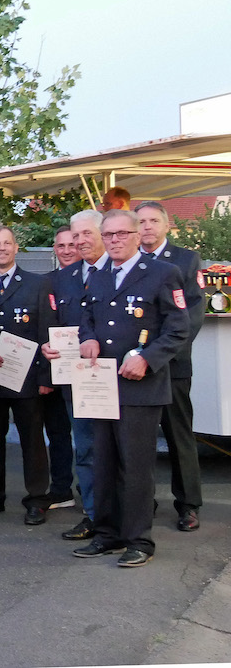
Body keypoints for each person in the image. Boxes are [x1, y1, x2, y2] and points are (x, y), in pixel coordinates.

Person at [70, 209, 189, 567]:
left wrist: (149, 358)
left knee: (136, 467)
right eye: (109, 235)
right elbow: (87, 317)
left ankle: (139, 539)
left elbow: (178, 328)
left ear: (138, 235)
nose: (115, 240)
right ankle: (107, 534)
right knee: (104, 463)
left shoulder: (163, 273)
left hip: (141, 387)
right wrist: (88, 339)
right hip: (102, 384)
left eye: (122, 233)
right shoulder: (99, 275)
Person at [0, 225, 53, 526]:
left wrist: (46, 377)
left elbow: (47, 331)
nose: (2, 249)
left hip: (27, 377)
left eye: (7, 243)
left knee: (32, 439)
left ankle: (36, 499)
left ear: (16, 248)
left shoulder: (37, 283)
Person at [136, 201, 205, 531]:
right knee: (139, 440)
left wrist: (156, 357)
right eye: (141, 221)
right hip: (132, 368)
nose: (147, 227)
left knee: (179, 436)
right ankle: (141, 501)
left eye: (153, 221)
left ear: (166, 225)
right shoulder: (127, 261)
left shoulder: (185, 260)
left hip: (171, 365)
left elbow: (191, 316)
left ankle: (188, 504)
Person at [42, 209, 109, 542]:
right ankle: (94, 515)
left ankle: (129, 511)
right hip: (78, 380)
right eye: (75, 235)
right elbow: (55, 326)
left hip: (119, 377)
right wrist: (48, 346)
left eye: (86, 234)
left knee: (123, 449)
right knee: (85, 448)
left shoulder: (120, 272)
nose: (80, 242)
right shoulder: (64, 279)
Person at [42, 226, 79, 509]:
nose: (66, 251)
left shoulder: (95, 278)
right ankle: (61, 488)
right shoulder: (46, 282)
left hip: (86, 368)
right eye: (61, 246)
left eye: (71, 244)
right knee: (57, 431)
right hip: (55, 366)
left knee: (91, 435)